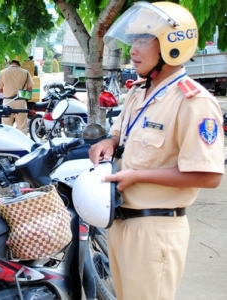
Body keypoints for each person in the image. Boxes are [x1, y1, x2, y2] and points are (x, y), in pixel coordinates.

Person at [88, 2, 224, 300]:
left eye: (142, 41)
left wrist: (137, 176)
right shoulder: (140, 91)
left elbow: (208, 175)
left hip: (155, 228)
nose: (132, 50)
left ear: (172, 45)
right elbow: (118, 134)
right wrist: (107, 143)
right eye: (132, 41)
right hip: (121, 222)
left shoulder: (194, 102)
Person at [0, 58, 33, 134]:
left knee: (6, 127)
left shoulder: (3, 72)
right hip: (21, 102)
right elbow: (30, 89)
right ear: (19, 62)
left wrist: (8, 89)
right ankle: (22, 144)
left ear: (10, 62)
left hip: (7, 102)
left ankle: (7, 144)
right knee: (22, 127)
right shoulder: (25, 73)